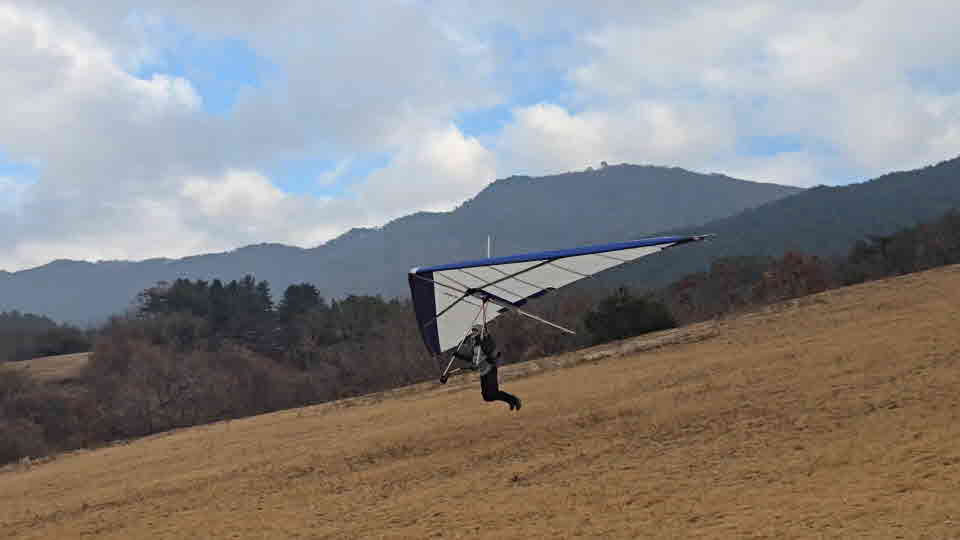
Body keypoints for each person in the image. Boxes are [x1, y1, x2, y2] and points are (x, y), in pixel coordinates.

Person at [454, 324, 522, 411]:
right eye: (472, 331)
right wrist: (459, 356)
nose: (473, 333)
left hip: (490, 369)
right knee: (487, 397)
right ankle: (511, 400)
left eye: (475, 331)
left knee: (493, 393)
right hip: (483, 371)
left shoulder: (486, 340)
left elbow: (489, 351)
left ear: (480, 331)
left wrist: (482, 341)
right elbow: (473, 359)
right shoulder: (475, 344)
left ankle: (514, 400)